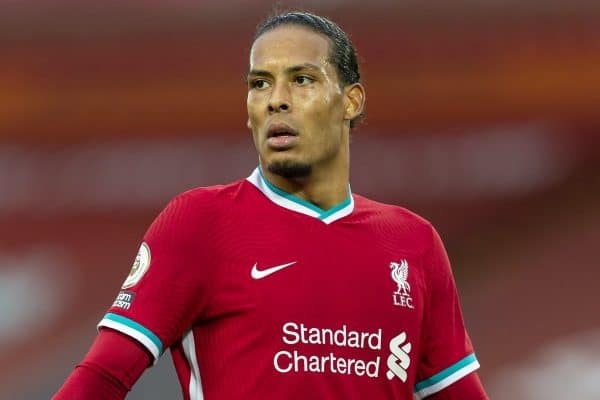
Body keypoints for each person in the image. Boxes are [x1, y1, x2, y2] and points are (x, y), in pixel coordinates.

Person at [54, 10, 488, 400]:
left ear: (350, 102)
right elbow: (102, 378)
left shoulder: (413, 243)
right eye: (260, 83)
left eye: (302, 79)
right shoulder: (201, 222)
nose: (276, 99)